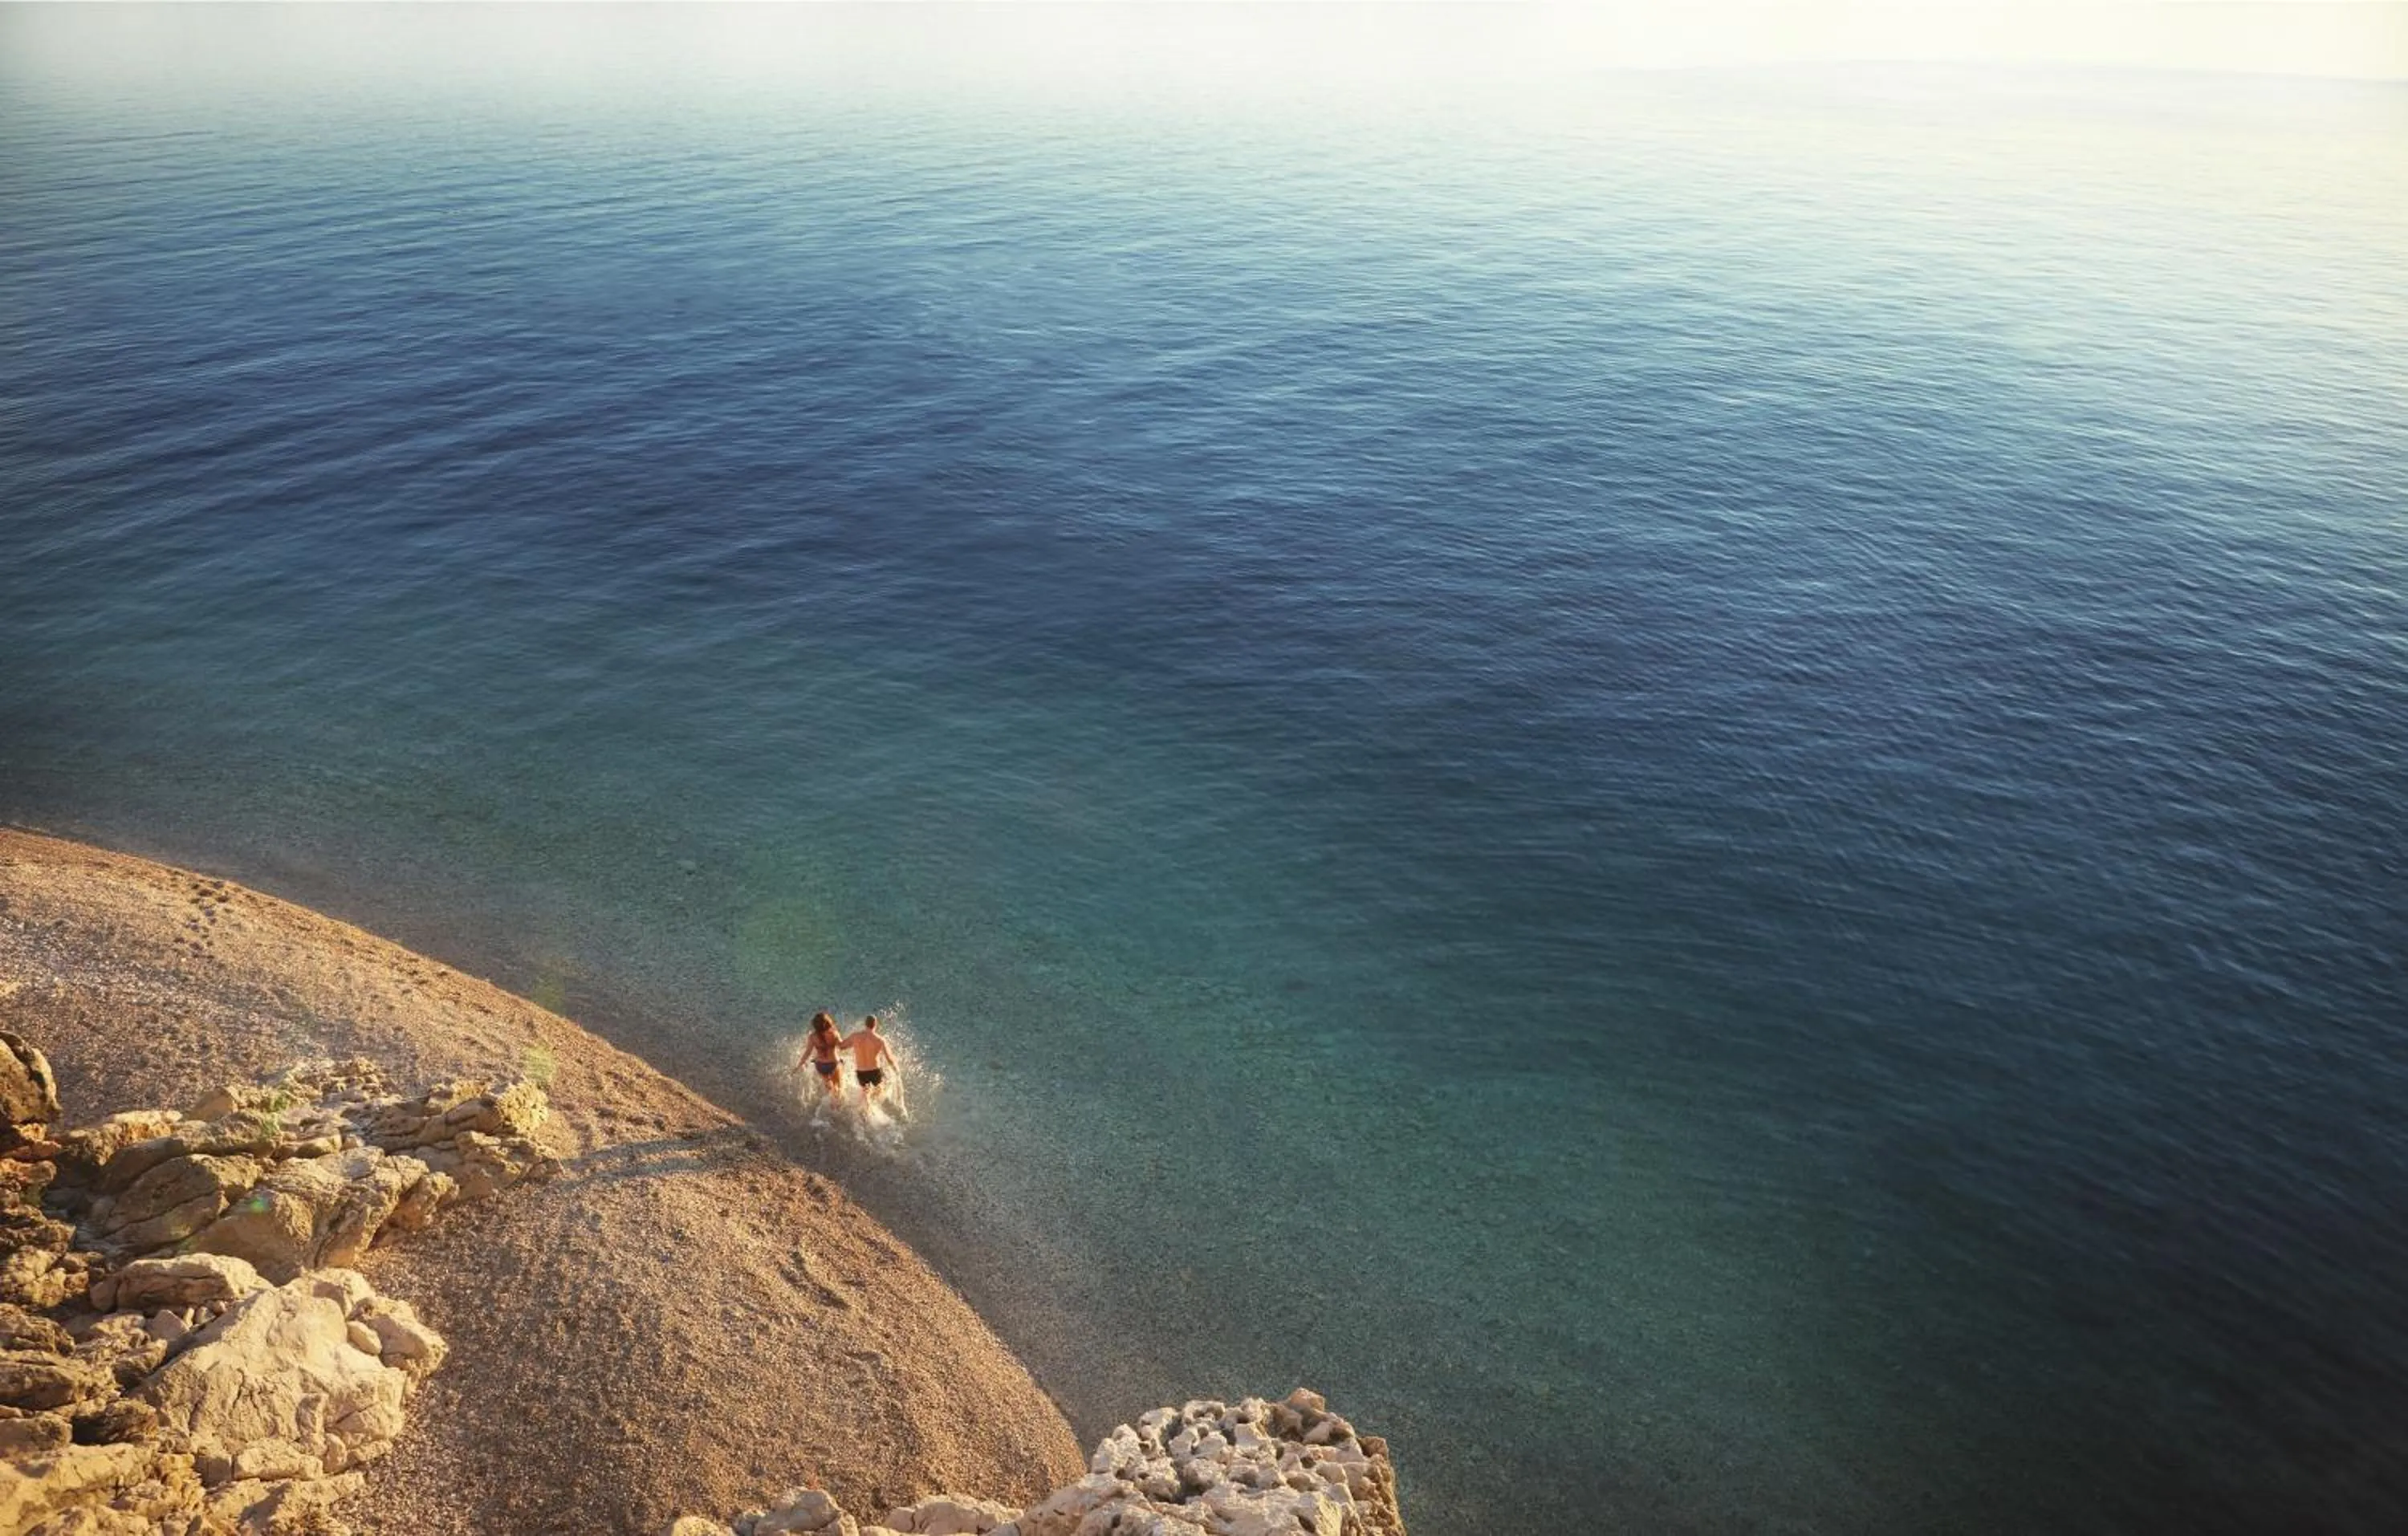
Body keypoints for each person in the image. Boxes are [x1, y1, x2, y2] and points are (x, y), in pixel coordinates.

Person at [841, 1013, 897, 1105]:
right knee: (880, 1091)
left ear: (865, 1024)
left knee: (865, 1094)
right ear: (875, 1024)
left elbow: (842, 1046)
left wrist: (835, 1038)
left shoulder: (855, 1037)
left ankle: (867, 1109)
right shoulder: (880, 1040)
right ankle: (875, 1104)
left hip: (861, 1072)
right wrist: (896, 1070)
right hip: (875, 1071)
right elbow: (889, 1059)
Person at [795, 1011, 844, 1100]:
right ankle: (836, 1104)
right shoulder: (834, 1034)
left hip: (820, 1066)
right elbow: (842, 1046)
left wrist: (799, 1065)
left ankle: (829, 1090)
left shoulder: (812, 1037)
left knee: (828, 1084)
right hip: (833, 1063)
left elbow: (807, 1053)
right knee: (838, 1086)